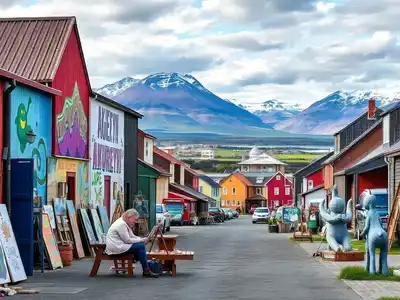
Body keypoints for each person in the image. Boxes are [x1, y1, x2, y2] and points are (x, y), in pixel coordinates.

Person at [105, 208, 158, 278]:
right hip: (116, 247)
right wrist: (141, 240)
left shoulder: (124, 222)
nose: (135, 222)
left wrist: (142, 239)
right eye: (135, 219)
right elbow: (127, 240)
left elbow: (132, 236)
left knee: (140, 246)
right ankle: (145, 269)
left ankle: (145, 268)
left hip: (118, 245)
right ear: (129, 217)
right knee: (141, 246)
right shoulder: (121, 224)